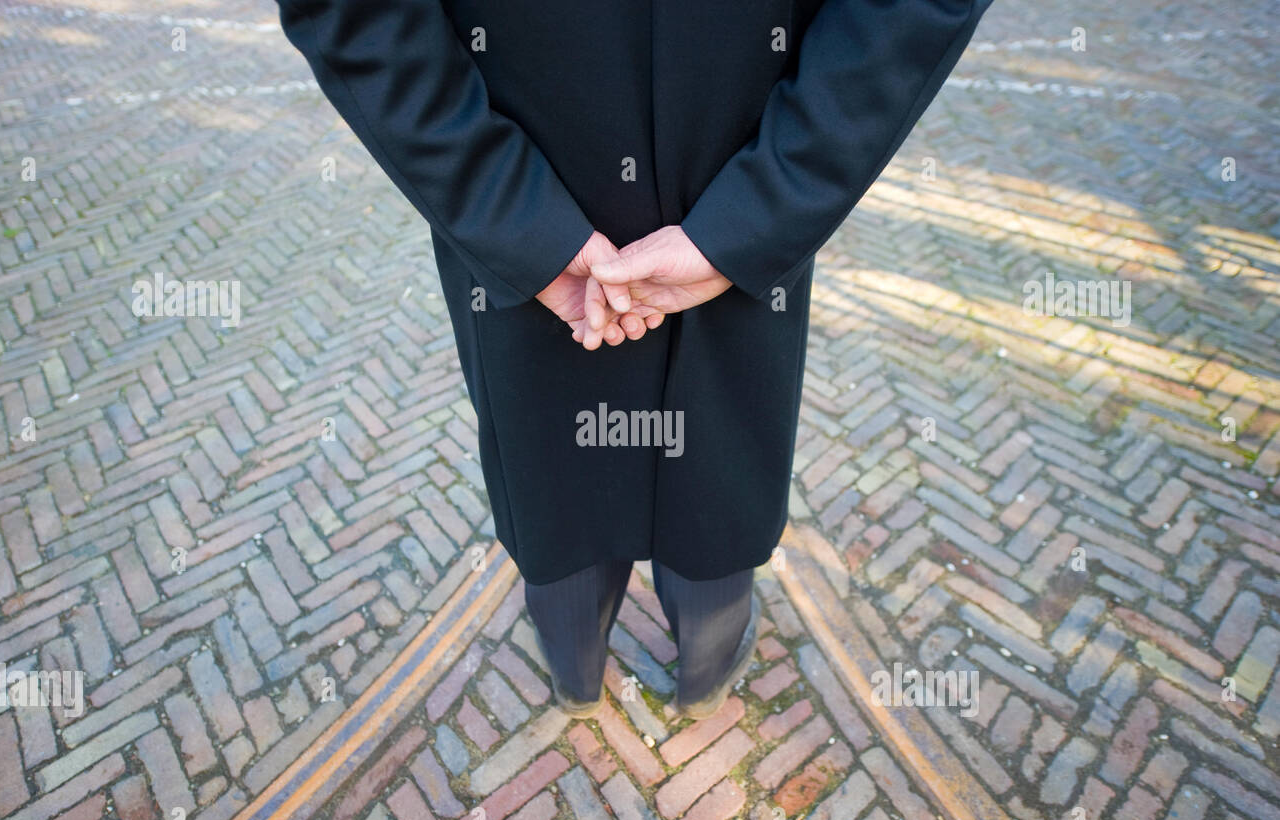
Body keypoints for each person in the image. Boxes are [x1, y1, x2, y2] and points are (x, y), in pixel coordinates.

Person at [274, 0, 995, 719]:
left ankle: (578, 667)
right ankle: (699, 668)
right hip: (730, 179)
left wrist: (511, 214)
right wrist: (765, 205)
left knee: (569, 483)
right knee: (708, 471)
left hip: (535, 191)